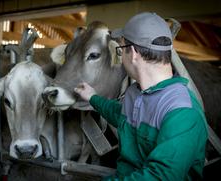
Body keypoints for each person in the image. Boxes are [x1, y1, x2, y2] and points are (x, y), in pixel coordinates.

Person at [74, 12, 208, 180]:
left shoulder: (182, 111)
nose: (121, 58)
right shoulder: (137, 93)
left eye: (121, 50)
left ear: (134, 52)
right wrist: (92, 97)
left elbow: (160, 177)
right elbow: (122, 115)